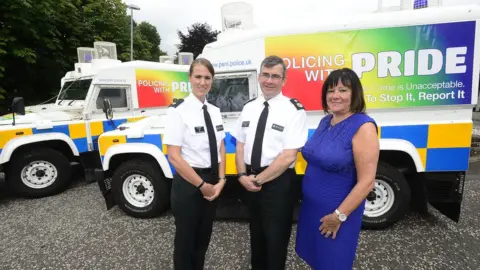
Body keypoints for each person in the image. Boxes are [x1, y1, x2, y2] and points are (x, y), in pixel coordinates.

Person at [295, 67, 380, 270]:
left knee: (333, 262)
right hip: (312, 209)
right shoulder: (326, 121)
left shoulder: (363, 127)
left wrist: (339, 216)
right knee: (316, 259)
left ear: (355, 94)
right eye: (331, 90)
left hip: (338, 214)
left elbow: (367, 182)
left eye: (343, 90)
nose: (335, 96)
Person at [231, 55, 308, 270]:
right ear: (259, 77)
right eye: (265, 74)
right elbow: (239, 144)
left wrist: (258, 181)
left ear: (284, 80)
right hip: (250, 179)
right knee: (256, 236)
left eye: (275, 76)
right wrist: (241, 176)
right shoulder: (249, 107)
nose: (269, 80)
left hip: (277, 183)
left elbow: (288, 156)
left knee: (275, 241)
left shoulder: (294, 110)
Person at [163, 58, 227, 270]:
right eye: (198, 76)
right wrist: (202, 185)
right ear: (189, 78)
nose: (202, 82)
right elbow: (174, 156)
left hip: (212, 181)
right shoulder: (178, 111)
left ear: (212, 80)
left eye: (207, 77)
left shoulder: (215, 111)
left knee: (203, 238)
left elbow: (220, 146)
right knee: (185, 241)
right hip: (189, 184)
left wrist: (222, 179)